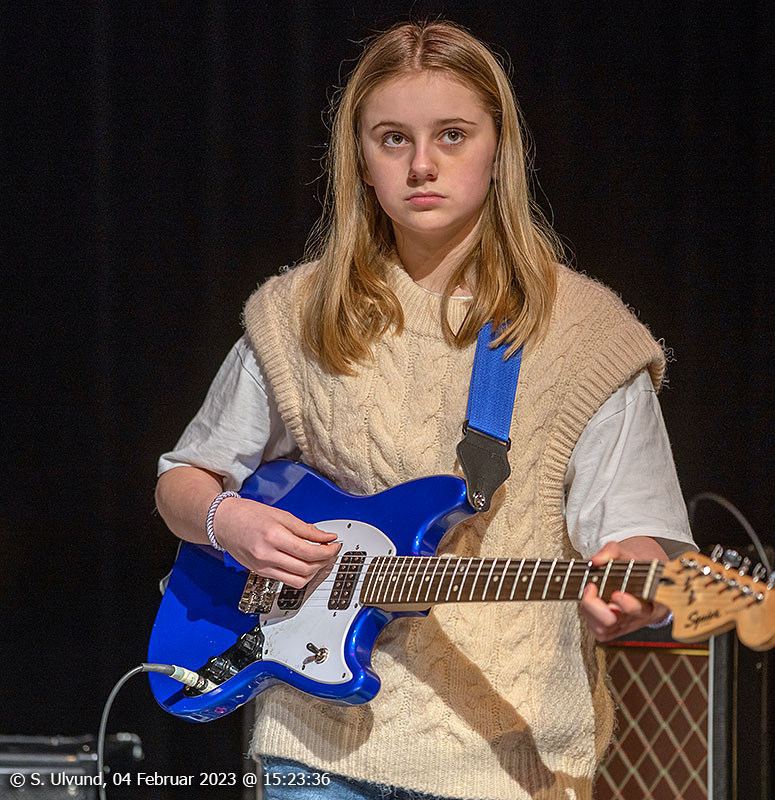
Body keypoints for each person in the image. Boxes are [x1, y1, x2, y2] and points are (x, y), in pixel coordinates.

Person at [155, 19, 694, 800]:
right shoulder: (296, 314)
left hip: (510, 757)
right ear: (360, 160)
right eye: (392, 139)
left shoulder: (587, 335)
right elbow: (183, 481)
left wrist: (634, 584)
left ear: (499, 150)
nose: (421, 164)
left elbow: (638, 530)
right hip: (315, 747)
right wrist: (229, 521)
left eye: (452, 134)